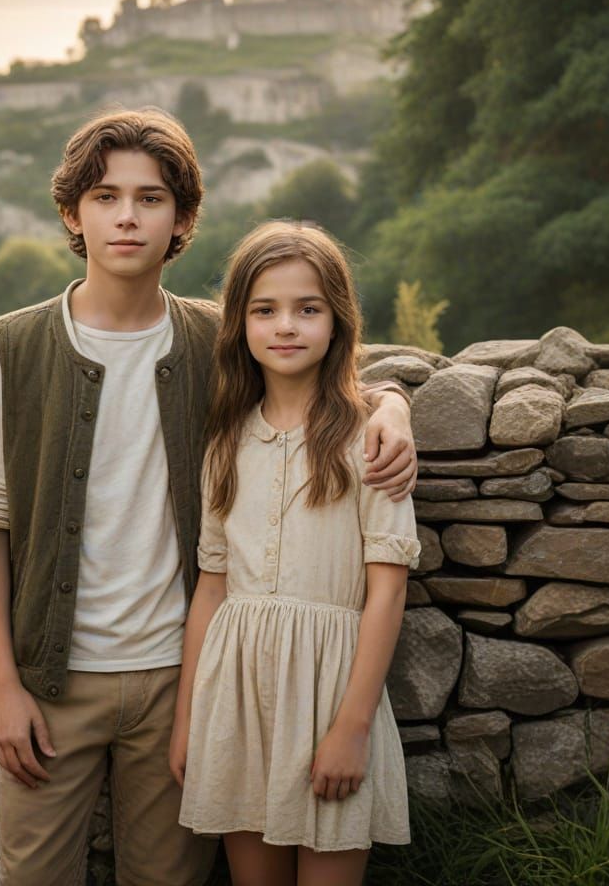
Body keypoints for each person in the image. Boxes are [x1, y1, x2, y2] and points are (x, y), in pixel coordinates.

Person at [0, 109, 417, 886]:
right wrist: (3, 687)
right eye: (105, 197)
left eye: (151, 198)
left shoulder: (215, 339)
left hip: (187, 681)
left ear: (183, 218)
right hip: (51, 678)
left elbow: (318, 373)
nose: (128, 217)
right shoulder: (19, 344)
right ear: (73, 212)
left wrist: (395, 404)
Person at [171, 221, 421, 886]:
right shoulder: (225, 442)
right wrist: (189, 720)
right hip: (238, 700)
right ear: (240, 325)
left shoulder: (370, 441)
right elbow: (212, 587)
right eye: (265, 310)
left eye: (307, 309)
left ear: (337, 322)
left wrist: (352, 727)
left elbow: (387, 592)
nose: (286, 326)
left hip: (332, 694)